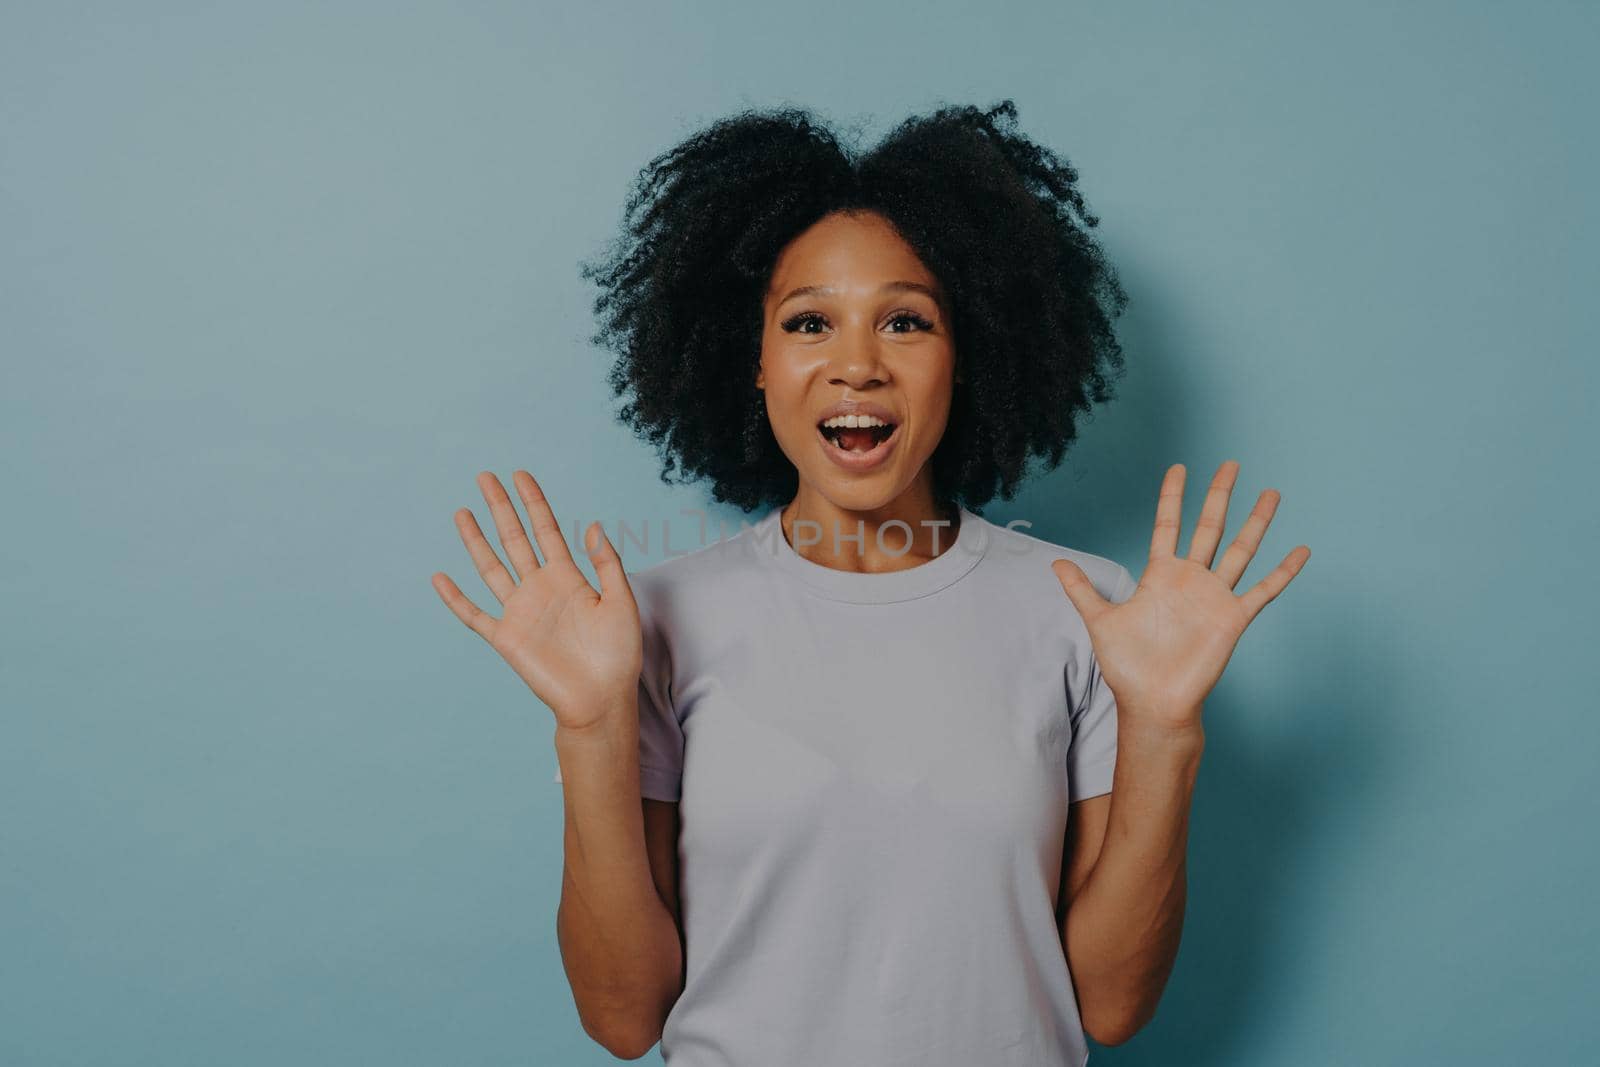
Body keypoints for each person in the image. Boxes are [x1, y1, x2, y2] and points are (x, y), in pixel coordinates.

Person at [430, 100, 1309, 1065]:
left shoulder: (1090, 614)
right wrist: (591, 725)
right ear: (753, 361)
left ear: (963, 357)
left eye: (905, 320)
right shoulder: (644, 625)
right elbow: (623, 1019)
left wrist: (1166, 730)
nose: (857, 366)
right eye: (809, 322)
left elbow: (1110, 1003)